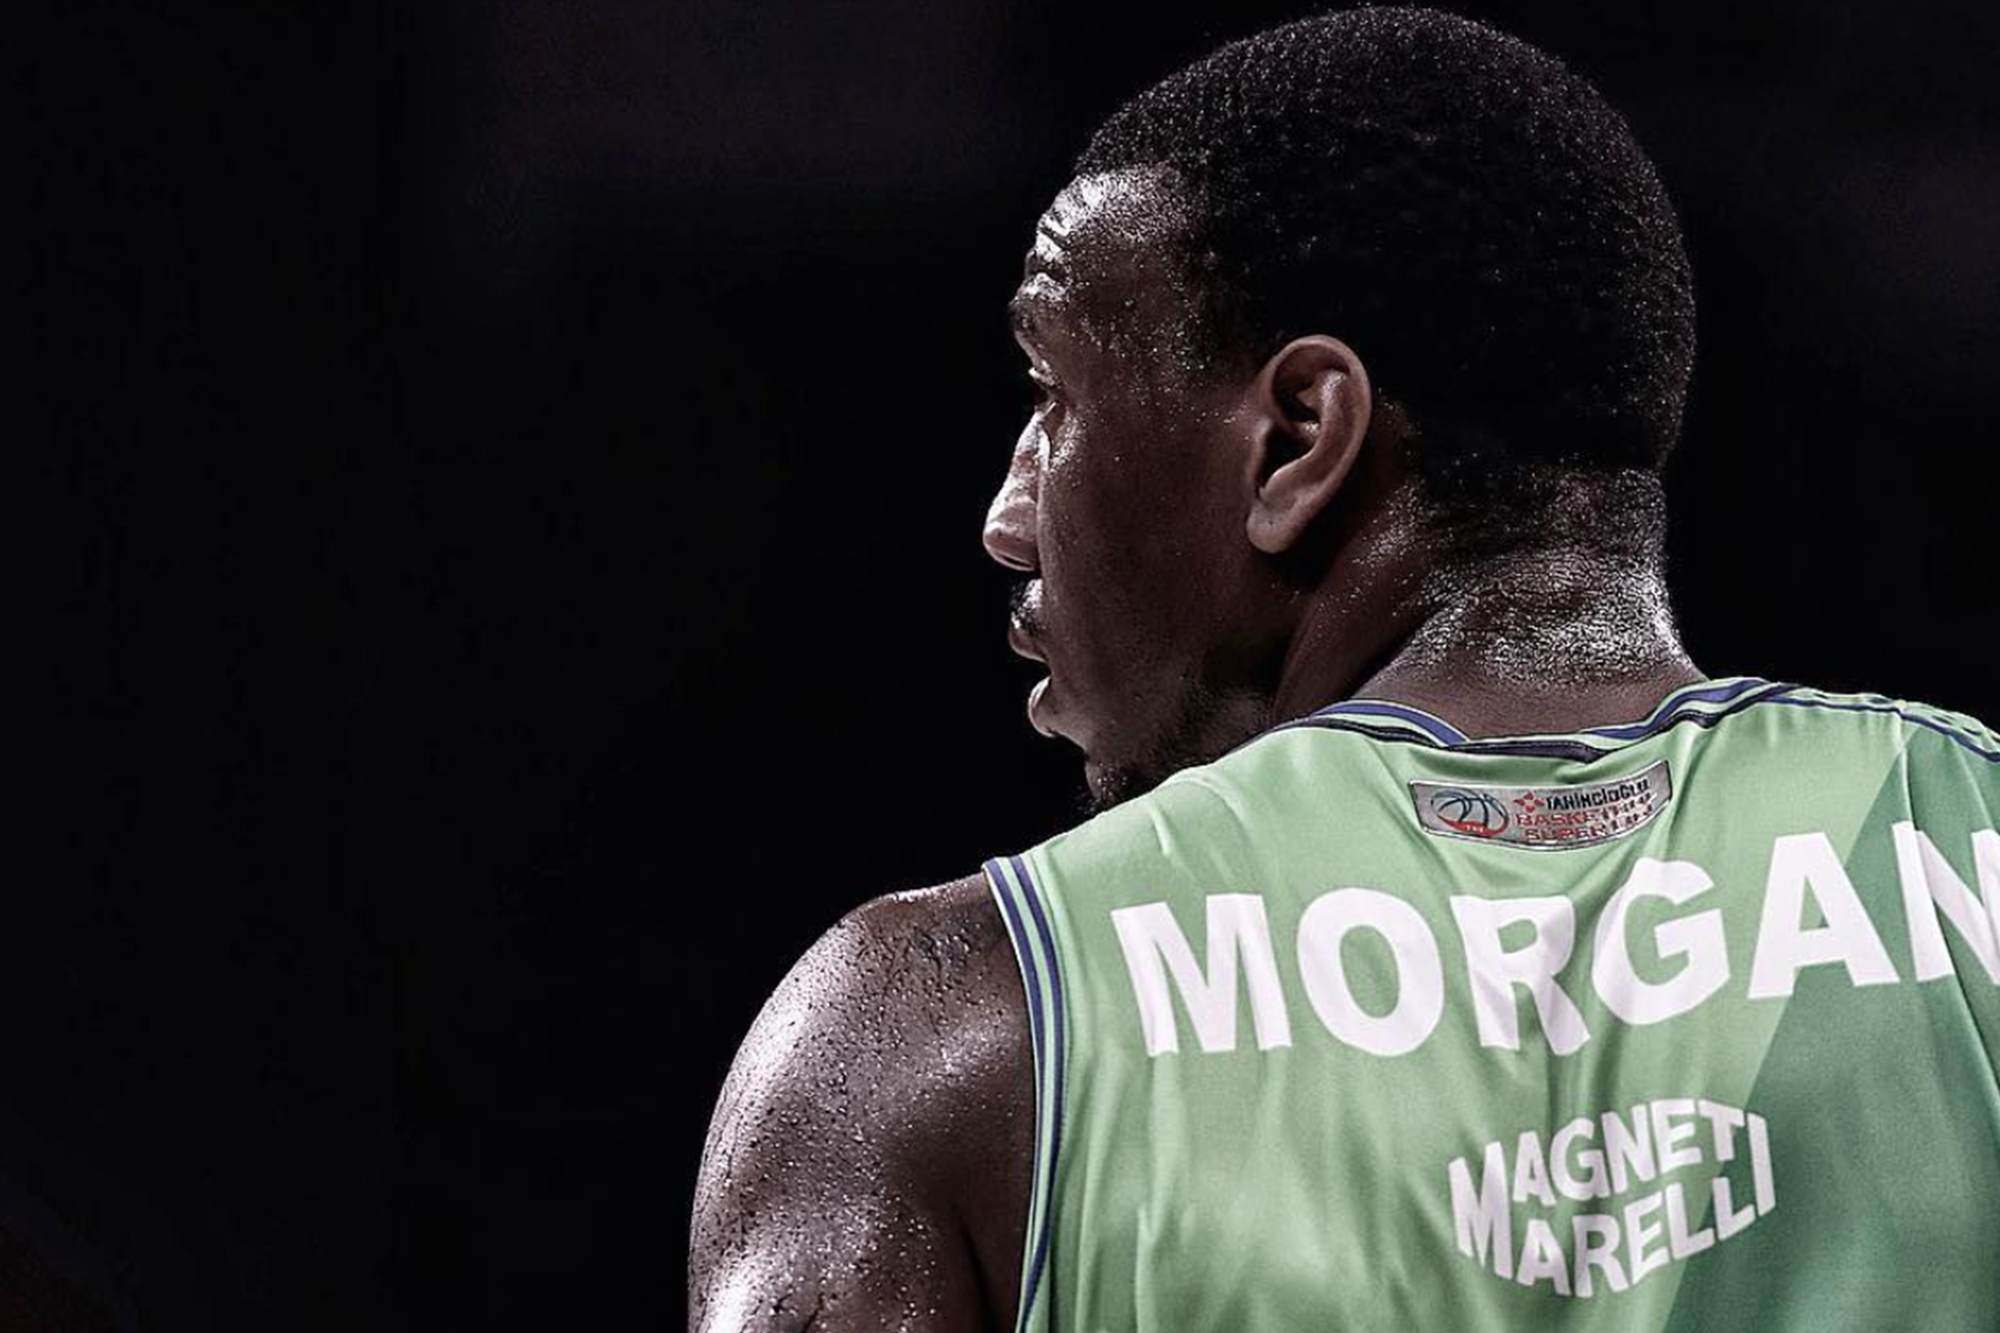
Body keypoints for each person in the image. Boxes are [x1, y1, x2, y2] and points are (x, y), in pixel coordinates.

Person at [687, 9, 2000, 1330]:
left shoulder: (956, 1036)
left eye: (1053, 397)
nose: (1009, 516)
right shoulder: (1975, 854)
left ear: (1298, 439)